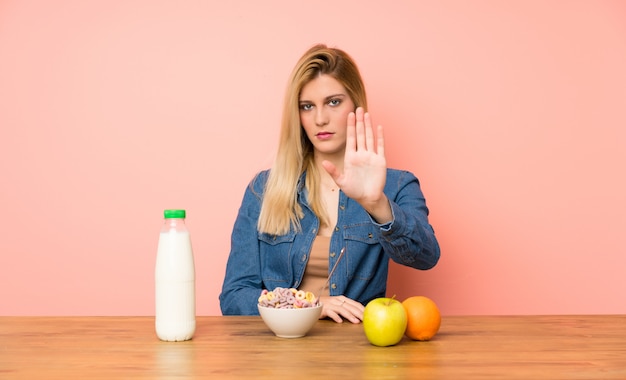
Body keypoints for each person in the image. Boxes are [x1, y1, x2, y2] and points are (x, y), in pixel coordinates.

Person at [219, 44, 440, 323]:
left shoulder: (397, 186)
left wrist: (377, 204)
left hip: (356, 353)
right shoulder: (263, 190)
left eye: (333, 102)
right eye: (307, 106)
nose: (320, 119)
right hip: (278, 355)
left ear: (355, 104)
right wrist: (307, 305)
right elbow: (234, 296)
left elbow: (426, 257)